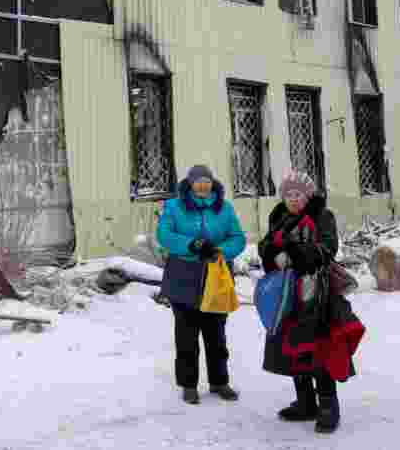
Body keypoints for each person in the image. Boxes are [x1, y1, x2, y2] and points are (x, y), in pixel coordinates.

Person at [258, 168, 364, 434]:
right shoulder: (279, 216)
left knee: (320, 348)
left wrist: (294, 254)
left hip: (319, 294)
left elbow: (328, 248)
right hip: (289, 294)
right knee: (294, 347)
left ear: (308, 195)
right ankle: (306, 402)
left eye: (298, 195)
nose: (293, 199)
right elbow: (266, 245)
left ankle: (328, 406)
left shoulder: (321, 216)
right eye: (288, 195)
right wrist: (272, 254)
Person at [156, 165, 247, 404]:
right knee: (186, 335)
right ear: (190, 183)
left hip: (216, 276)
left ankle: (219, 382)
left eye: (207, 181)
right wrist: (192, 245)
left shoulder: (224, 208)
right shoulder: (174, 207)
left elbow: (238, 238)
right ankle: (188, 384)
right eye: (198, 181)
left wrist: (220, 251)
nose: (203, 185)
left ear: (212, 183)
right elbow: (164, 235)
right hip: (183, 276)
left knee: (216, 334)